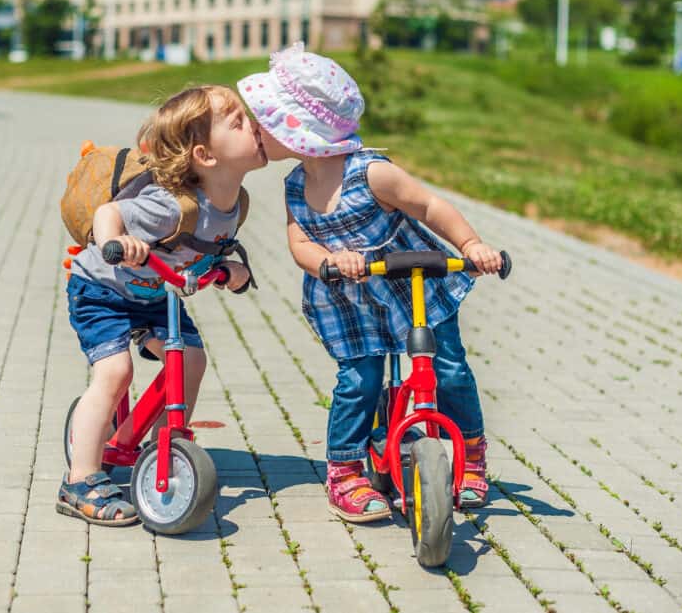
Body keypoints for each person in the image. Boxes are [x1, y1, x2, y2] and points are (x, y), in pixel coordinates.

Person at [237, 44, 503, 522]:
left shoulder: (372, 173)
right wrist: (327, 261)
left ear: (301, 133)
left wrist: (472, 245)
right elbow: (299, 242)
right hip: (351, 300)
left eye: (266, 122)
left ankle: (471, 456)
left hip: (412, 288)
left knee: (449, 370)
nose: (257, 130)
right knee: (358, 382)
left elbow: (429, 207)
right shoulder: (296, 185)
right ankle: (345, 469)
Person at [57, 85, 268, 525]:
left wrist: (231, 270)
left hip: (157, 295)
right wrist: (116, 239)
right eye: (238, 121)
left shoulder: (234, 203)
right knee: (116, 373)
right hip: (104, 290)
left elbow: (210, 249)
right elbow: (108, 214)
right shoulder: (168, 206)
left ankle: (166, 443)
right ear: (206, 156)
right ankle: (79, 480)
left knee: (191, 359)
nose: (255, 124)